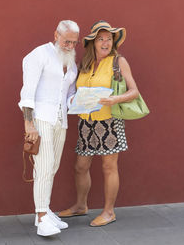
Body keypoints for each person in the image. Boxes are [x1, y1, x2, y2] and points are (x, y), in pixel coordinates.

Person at [59, 20, 139, 226]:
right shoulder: (84, 63)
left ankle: (109, 212)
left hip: (109, 121)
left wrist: (115, 99)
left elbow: (134, 91)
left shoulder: (118, 62)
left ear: (113, 42)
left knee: (109, 167)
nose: (105, 42)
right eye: (101, 39)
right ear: (92, 42)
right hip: (86, 121)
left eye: (109, 39)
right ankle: (80, 205)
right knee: (80, 166)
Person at [18, 20, 79, 236]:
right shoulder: (39, 55)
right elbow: (28, 91)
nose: (70, 46)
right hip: (41, 118)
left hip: (61, 120)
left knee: (52, 167)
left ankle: (44, 211)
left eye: (74, 42)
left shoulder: (71, 63)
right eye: (66, 41)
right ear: (56, 35)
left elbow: (69, 92)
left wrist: (80, 100)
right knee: (43, 168)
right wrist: (29, 123)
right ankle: (42, 216)